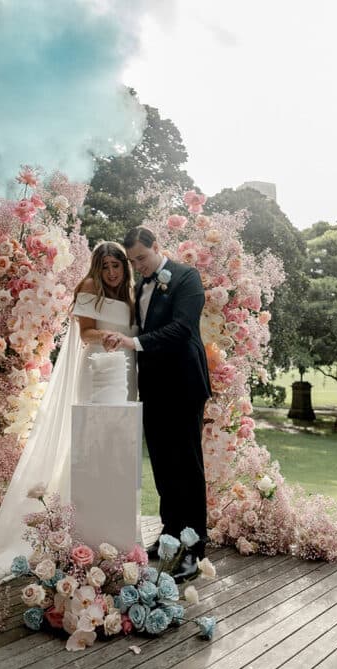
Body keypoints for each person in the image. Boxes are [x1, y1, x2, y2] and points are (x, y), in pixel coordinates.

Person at [0, 242, 138, 591]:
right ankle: (81, 525)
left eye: (117, 266)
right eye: (106, 266)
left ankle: (113, 528)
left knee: (116, 447)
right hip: (96, 369)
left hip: (122, 373)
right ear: (97, 268)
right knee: (90, 443)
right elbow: (85, 334)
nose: (112, 272)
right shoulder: (88, 288)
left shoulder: (129, 293)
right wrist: (107, 336)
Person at [105, 226, 211, 583]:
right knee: (164, 467)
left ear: (157, 247)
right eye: (133, 261)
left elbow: (182, 329)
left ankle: (193, 551)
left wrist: (131, 344)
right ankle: (169, 536)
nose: (139, 266)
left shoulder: (186, 277)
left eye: (142, 258)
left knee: (188, 468)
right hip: (153, 389)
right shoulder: (141, 285)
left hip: (183, 386)